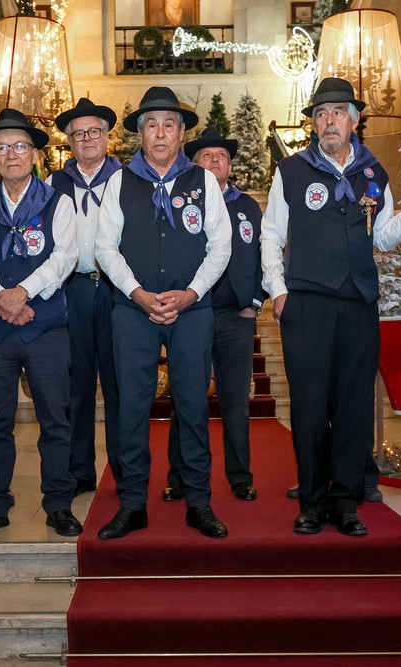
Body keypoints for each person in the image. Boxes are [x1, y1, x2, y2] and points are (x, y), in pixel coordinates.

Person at [260, 78, 401, 537]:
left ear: (355, 120)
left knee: (353, 406)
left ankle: (346, 501)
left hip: (358, 303)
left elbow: (385, 233)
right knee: (310, 406)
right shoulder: (291, 171)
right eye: (320, 114)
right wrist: (278, 290)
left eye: (338, 112)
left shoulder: (374, 173)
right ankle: (312, 502)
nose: (328, 121)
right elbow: (271, 234)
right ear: (313, 124)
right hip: (306, 303)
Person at [94, 86, 232, 539]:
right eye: (150, 124)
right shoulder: (119, 181)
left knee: (192, 406)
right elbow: (104, 248)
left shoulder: (204, 181)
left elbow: (220, 246)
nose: (159, 133)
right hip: (132, 311)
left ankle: (198, 502)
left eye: (168, 124)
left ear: (179, 133)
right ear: (139, 133)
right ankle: (133, 503)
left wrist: (191, 293)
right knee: (132, 408)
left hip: (192, 311)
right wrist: (136, 293)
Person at [0, 108, 82, 539]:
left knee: (55, 420)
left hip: (45, 327)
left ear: (34, 154)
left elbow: (64, 257)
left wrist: (23, 293)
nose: (11, 154)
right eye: (2, 148)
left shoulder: (57, 202)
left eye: (19, 146)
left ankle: (59, 504)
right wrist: (0, 297)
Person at [163, 127, 265, 503]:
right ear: (194, 164)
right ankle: (178, 477)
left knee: (236, 403)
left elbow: (263, 256)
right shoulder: (182, 202)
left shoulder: (248, 206)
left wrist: (255, 301)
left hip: (235, 319)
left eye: (221, 156)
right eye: (207, 156)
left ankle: (240, 477)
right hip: (192, 315)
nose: (215, 161)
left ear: (229, 164)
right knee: (186, 400)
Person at [49, 98, 123, 496]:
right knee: (76, 386)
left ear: (107, 137)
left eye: (94, 131)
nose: (87, 139)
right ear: (70, 142)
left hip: (116, 290)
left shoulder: (127, 180)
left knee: (117, 384)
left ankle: (122, 468)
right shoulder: (53, 185)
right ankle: (80, 470)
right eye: (78, 134)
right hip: (72, 290)